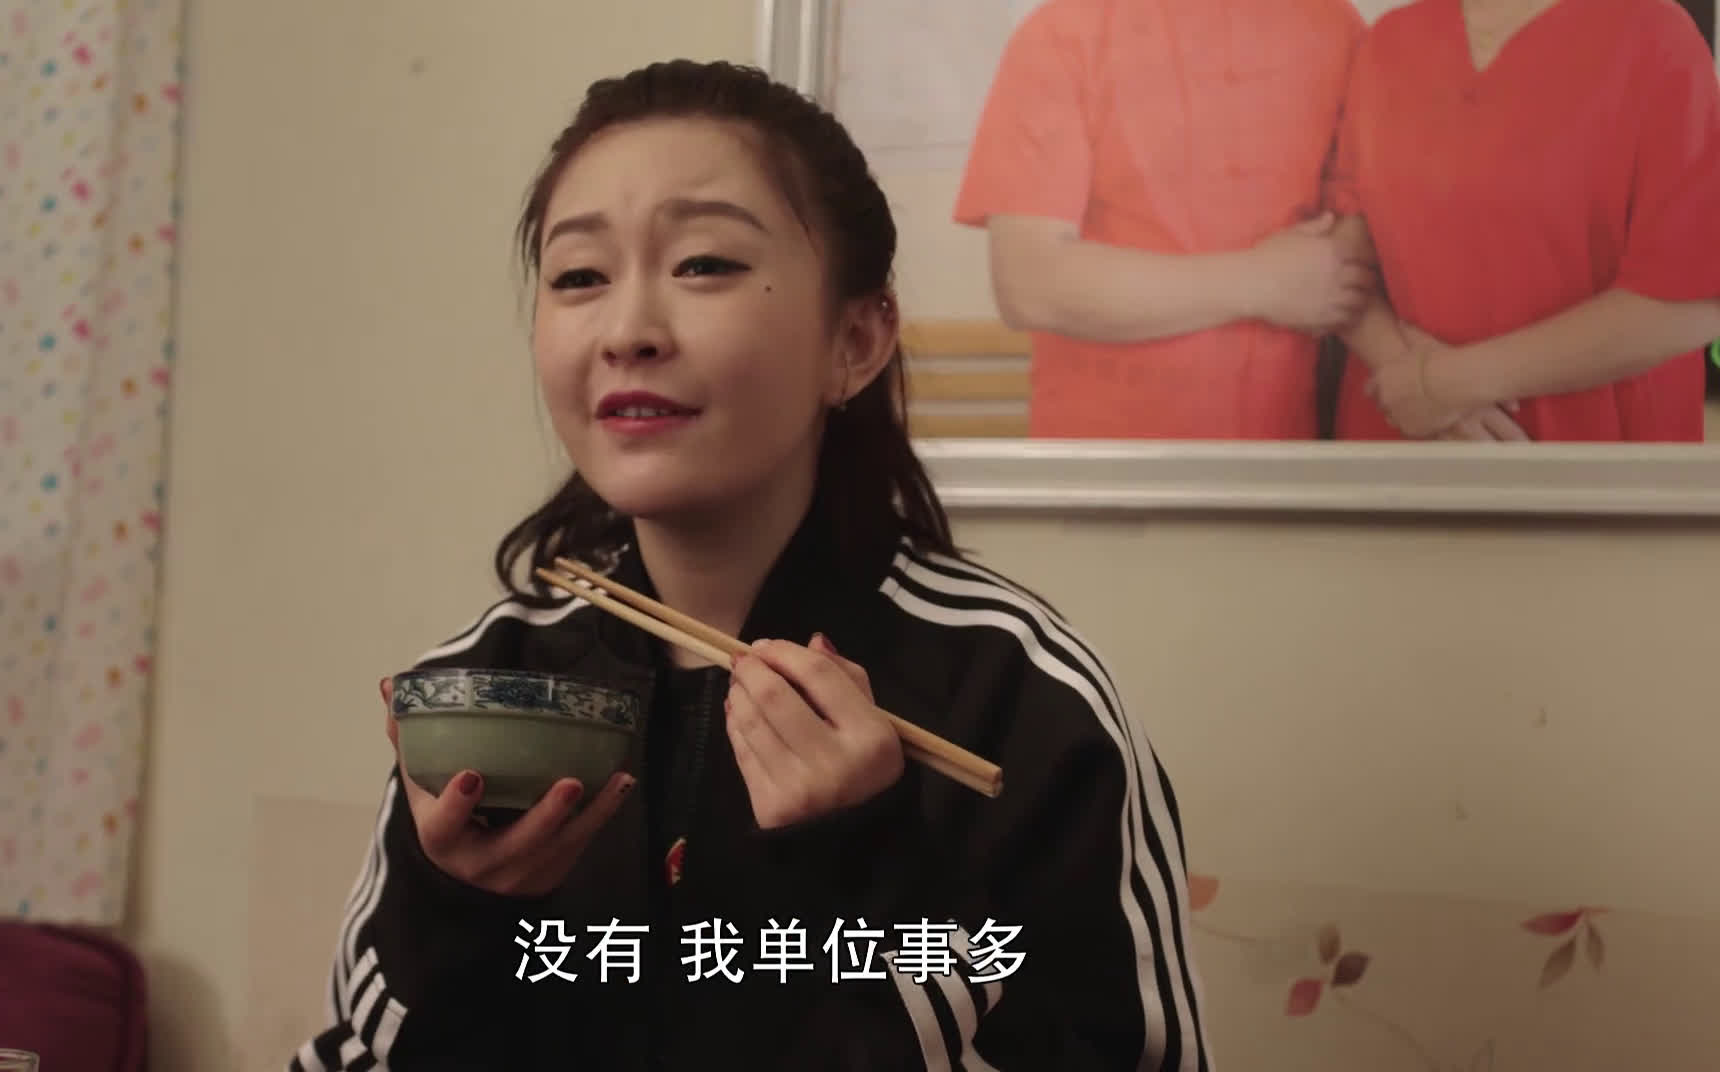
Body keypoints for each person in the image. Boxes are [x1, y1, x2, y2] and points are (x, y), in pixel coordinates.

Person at [291, 59, 1209, 1072]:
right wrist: (453, 905)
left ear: (855, 339)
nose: (628, 332)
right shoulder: (495, 686)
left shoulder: (1015, 698)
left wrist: (866, 868)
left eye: (704, 264)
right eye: (580, 277)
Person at [953, 0, 1375, 440]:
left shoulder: (1332, 25)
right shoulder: (1064, 32)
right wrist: (1261, 282)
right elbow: (1030, 285)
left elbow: (1362, 237)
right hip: (1105, 453)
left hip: (1285, 448)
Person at [1331, 0, 1720, 442]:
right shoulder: (1388, 43)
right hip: (1397, 434)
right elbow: (1340, 260)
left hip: (1588, 454)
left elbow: (1692, 301)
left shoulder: (1656, 38)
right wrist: (1404, 376)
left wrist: (1447, 385)